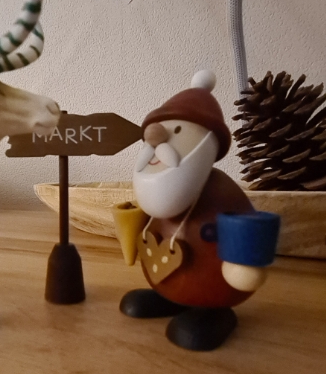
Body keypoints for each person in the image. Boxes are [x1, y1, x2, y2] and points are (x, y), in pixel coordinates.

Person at [115, 71, 278, 351]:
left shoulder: (220, 190)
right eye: (152, 133)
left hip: (218, 286)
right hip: (163, 278)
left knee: (192, 330)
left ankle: (213, 312)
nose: (154, 137)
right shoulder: (159, 196)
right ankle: (169, 296)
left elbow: (247, 224)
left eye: (176, 131)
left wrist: (243, 264)